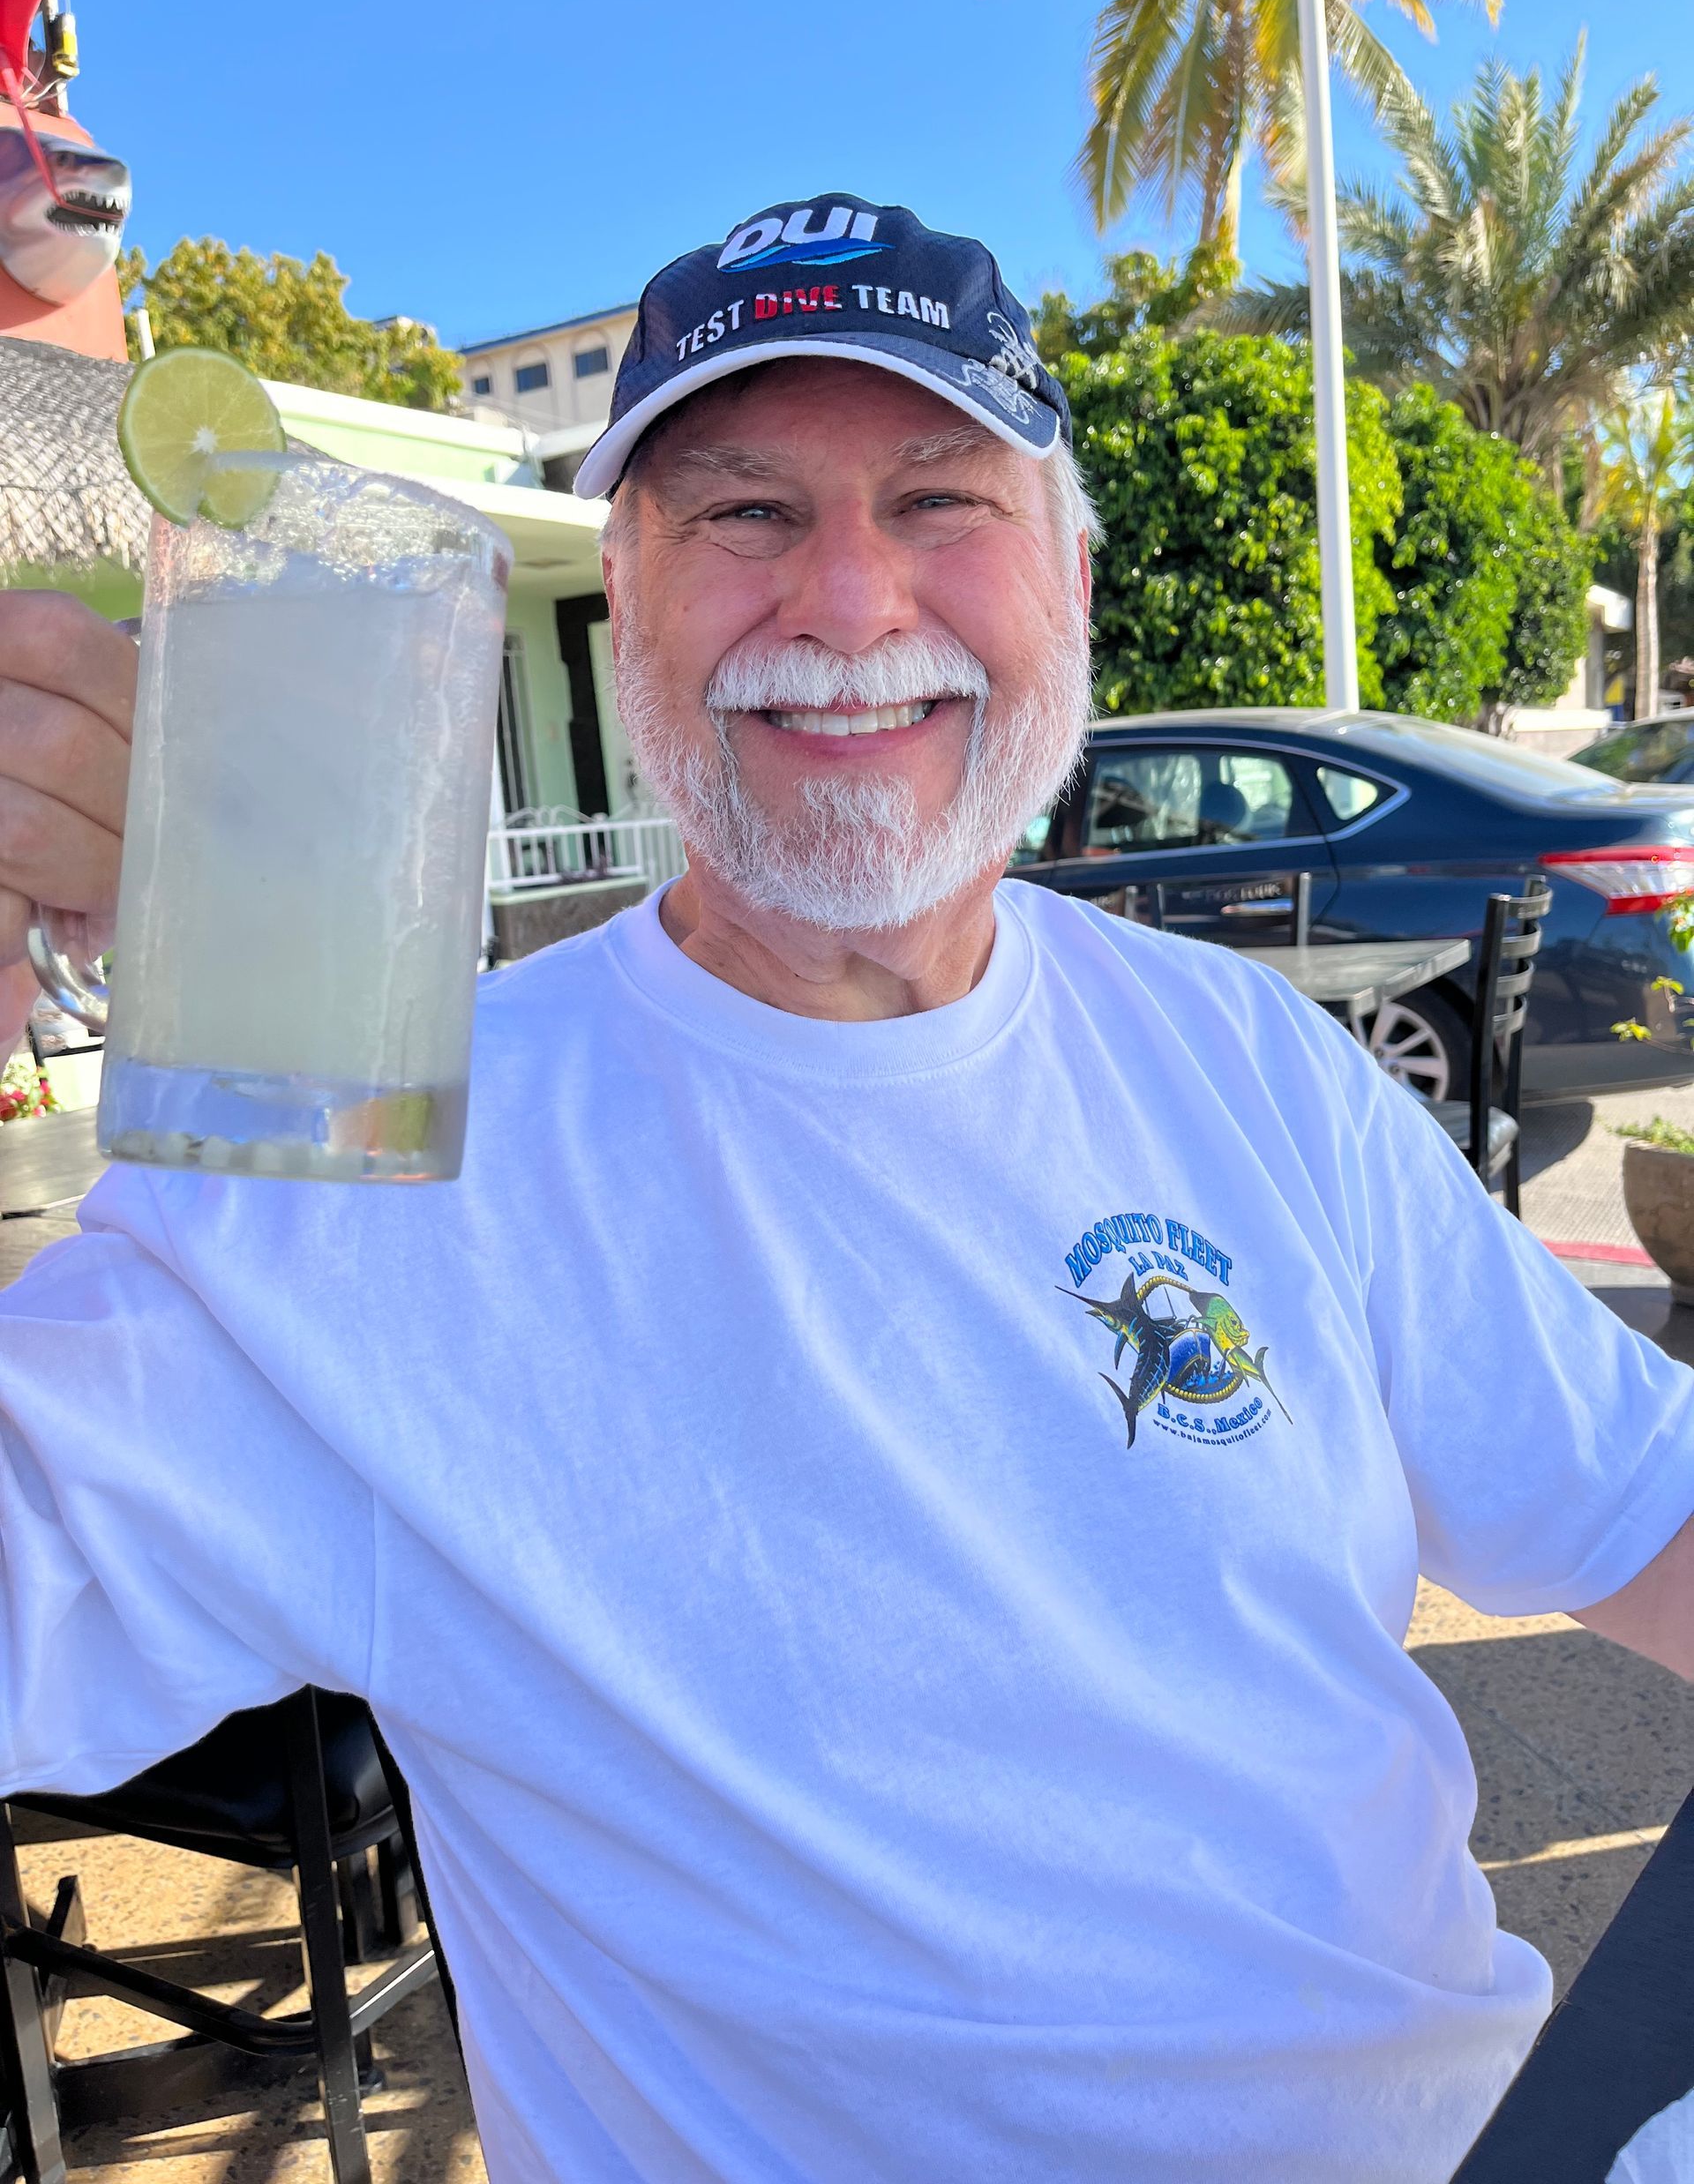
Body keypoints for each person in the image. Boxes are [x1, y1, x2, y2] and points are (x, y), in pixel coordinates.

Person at [0, 193, 1689, 2184]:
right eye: (741, 514)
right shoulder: (369, 1171)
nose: (851, 601)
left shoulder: (1246, 1061)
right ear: (624, 604)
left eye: (938, 498)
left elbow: (1643, 1506)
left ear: (1069, 573)